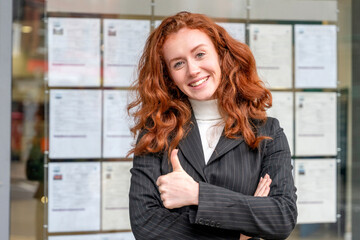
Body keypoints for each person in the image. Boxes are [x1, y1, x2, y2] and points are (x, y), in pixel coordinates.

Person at [128, 11, 297, 240]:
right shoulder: (155, 132)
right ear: (168, 77)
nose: (193, 70)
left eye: (199, 54)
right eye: (178, 63)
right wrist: (239, 233)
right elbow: (145, 225)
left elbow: (281, 218)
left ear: (221, 55)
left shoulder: (267, 132)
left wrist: (197, 194)